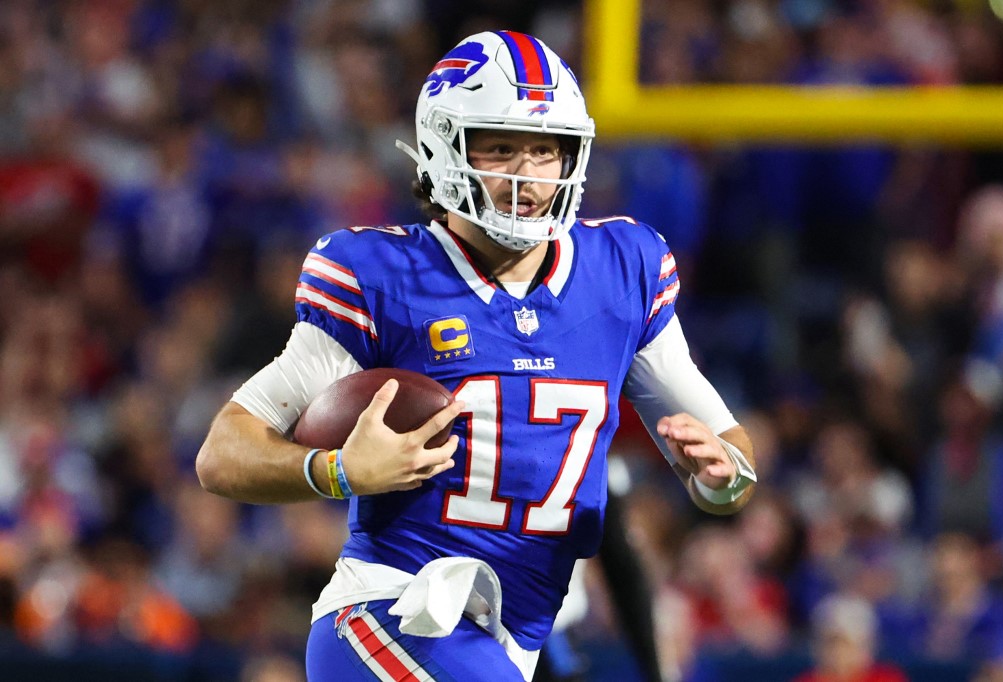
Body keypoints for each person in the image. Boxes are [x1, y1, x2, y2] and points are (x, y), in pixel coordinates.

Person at [196, 30, 757, 681]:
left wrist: (722, 479)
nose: (526, 173)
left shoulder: (622, 270)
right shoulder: (383, 275)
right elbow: (222, 454)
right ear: (444, 148)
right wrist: (338, 471)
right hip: (396, 612)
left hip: (514, 638)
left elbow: (730, 457)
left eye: (544, 149)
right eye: (500, 148)